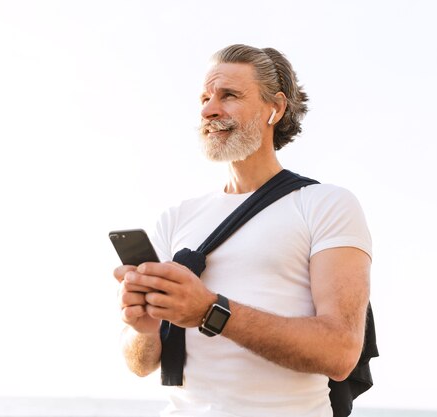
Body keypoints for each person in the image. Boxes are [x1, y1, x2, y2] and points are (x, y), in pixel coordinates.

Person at [113, 44, 372, 417]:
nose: (208, 109)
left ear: (276, 109)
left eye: (229, 95)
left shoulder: (324, 205)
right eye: (205, 97)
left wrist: (208, 310)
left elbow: (341, 352)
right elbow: (141, 365)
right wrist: (142, 328)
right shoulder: (176, 218)